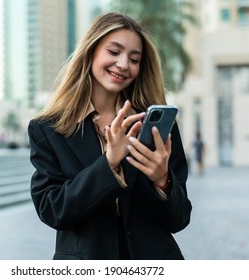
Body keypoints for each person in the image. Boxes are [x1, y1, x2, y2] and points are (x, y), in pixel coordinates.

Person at [28, 12, 192, 260]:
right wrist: (108, 164)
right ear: (91, 51)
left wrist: (162, 180)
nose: (124, 65)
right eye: (114, 52)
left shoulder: (158, 127)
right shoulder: (48, 128)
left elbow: (178, 220)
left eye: (134, 59)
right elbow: (53, 210)